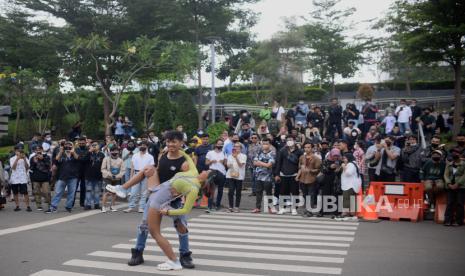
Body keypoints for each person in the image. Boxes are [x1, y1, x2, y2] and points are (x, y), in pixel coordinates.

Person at [108, 150, 208, 271]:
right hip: (157, 191)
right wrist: (176, 151)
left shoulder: (192, 185)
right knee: (147, 168)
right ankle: (138, 253)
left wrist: (168, 212)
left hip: (164, 201)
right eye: (169, 141)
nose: (205, 170)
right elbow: (187, 157)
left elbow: (186, 209)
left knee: (178, 227)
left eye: (207, 172)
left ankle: (183, 256)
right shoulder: (174, 160)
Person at [47, 141, 80, 213]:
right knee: (58, 192)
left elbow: (78, 159)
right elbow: (55, 161)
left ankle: (69, 206)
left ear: (72, 147)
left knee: (71, 193)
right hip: (62, 176)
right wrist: (61, 151)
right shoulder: (61, 154)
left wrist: (73, 151)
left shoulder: (74, 154)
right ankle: (53, 207)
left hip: (73, 176)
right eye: (66, 146)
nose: (68, 147)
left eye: (70, 146)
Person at [274, 136, 303, 215]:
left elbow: (301, 164)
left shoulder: (299, 151)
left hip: (294, 175)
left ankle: (294, 208)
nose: (289, 141)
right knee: (283, 192)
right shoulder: (282, 150)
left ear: (294, 140)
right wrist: (277, 174)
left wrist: (299, 175)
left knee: (294, 192)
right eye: (288, 140)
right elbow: (278, 163)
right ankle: (282, 208)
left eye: (291, 139)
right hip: (283, 175)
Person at [124, 140, 154, 213]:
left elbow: (151, 167)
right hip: (136, 173)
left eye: (144, 145)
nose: (142, 146)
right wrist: (131, 177)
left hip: (145, 174)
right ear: (139, 146)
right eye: (141, 145)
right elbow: (132, 167)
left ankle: (141, 207)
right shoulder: (135, 155)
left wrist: (150, 178)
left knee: (144, 192)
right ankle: (131, 206)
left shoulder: (150, 156)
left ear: (147, 147)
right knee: (133, 192)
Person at [296, 142, 321, 217]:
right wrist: (298, 176)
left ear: (312, 148)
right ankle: (307, 209)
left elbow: (318, 169)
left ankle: (309, 211)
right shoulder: (301, 157)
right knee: (304, 195)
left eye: (309, 147)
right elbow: (300, 167)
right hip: (302, 179)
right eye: (305, 147)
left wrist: (310, 170)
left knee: (311, 195)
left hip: (312, 179)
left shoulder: (316, 158)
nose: (307, 149)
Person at [252, 138, 276, 213]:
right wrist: (264, 163)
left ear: (269, 145)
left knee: (268, 193)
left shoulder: (272, 153)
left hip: (268, 177)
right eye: (263, 143)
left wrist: (260, 162)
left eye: (266, 144)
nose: (265, 145)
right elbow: (254, 163)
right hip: (258, 176)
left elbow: (269, 165)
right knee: (258, 192)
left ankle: (270, 208)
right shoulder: (258, 153)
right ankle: (257, 207)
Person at [101, 146, 126, 212]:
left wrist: (117, 176)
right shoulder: (106, 159)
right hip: (108, 178)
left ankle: (112, 206)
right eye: (113, 151)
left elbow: (123, 170)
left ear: (118, 152)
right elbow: (103, 169)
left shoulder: (121, 160)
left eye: (116, 151)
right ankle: (103, 206)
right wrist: (110, 175)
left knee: (114, 192)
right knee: (107, 192)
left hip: (117, 178)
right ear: (110, 152)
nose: (115, 152)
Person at [443, 150, 465, 226]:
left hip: (461, 186)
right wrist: (449, 184)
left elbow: (464, 176)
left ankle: (459, 221)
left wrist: (457, 184)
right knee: (449, 203)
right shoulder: (449, 164)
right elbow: (446, 175)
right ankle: (447, 220)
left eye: (457, 153)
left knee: (460, 203)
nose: (455, 154)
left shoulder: (463, 164)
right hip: (450, 187)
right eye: (454, 153)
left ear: (460, 155)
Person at [338, 153, 362, 221]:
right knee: (352, 199)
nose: (344, 160)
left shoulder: (350, 164)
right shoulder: (355, 164)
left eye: (345, 158)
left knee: (346, 198)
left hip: (349, 185)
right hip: (354, 185)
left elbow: (348, 173)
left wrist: (344, 167)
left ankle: (345, 213)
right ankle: (352, 213)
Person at [205, 139, 227, 212]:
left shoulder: (224, 153)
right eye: (219, 144)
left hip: (222, 172)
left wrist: (223, 162)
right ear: (215, 144)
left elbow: (226, 164)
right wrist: (211, 161)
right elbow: (206, 163)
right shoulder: (210, 153)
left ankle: (217, 205)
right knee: (211, 189)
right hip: (212, 171)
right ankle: (209, 206)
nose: (220, 145)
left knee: (220, 190)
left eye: (221, 144)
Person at [83, 142, 105, 210]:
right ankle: (88, 204)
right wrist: (89, 151)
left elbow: (104, 165)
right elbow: (83, 160)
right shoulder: (88, 153)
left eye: (96, 145)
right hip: (89, 175)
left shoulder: (101, 154)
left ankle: (96, 204)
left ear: (99, 146)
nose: (94, 146)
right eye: (93, 145)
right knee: (88, 191)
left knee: (97, 191)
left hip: (98, 176)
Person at [226, 142, 247, 212]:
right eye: (235, 146)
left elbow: (241, 165)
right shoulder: (230, 156)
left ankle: (237, 207)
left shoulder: (243, 156)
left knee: (238, 191)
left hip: (239, 176)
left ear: (240, 148)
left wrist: (236, 157)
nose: (236, 148)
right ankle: (230, 206)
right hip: (230, 175)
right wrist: (230, 164)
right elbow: (228, 165)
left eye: (238, 147)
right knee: (230, 191)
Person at [9, 145, 31, 212]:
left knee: (25, 192)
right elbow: (13, 168)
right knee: (15, 193)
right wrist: (17, 159)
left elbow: (27, 167)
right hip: (15, 178)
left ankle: (28, 206)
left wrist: (24, 159)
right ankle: (17, 206)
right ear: (15, 151)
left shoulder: (25, 158)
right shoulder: (12, 158)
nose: (19, 152)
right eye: (18, 151)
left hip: (23, 178)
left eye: (20, 151)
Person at [30, 145, 51, 211]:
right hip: (36, 178)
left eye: (39, 149)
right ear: (35, 151)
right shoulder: (32, 158)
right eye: (36, 150)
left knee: (46, 192)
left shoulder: (46, 157)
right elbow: (31, 168)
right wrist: (34, 162)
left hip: (45, 177)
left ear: (42, 150)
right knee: (37, 192)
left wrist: (43, 159)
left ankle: (50, 205)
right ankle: (39, 205)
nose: (38, 151)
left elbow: (48, 166)